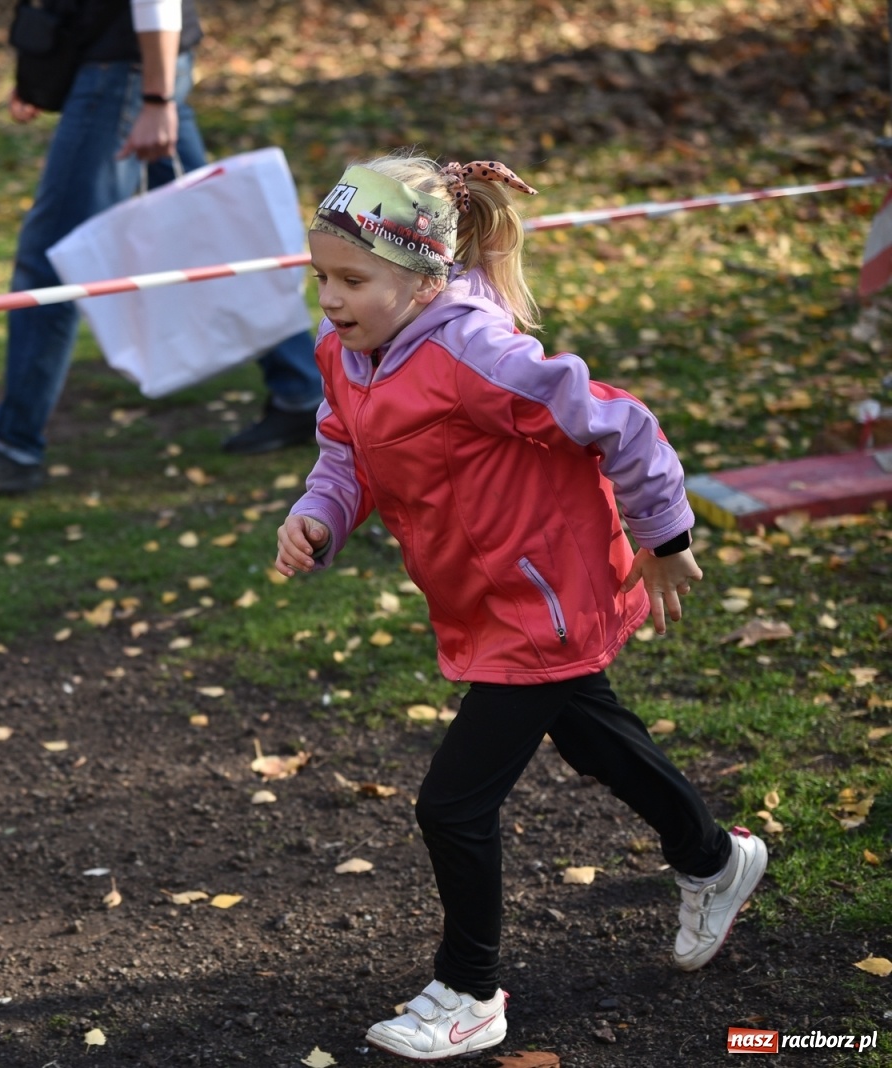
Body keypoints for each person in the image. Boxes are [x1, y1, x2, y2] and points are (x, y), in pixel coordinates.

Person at [273, 153, 767, 1061]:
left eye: (353, 279)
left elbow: (622, 424)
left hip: (547, 595)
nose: (332, 300)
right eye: (321, 278)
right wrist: (318, 513)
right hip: (484, 596)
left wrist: (665, 539)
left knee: (452, 805)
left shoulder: (476, 355)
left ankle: (469, 992)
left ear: (423, 278)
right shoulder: (347, 351)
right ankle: (715, 859)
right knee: (590, 736)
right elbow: (344, 448)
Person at [0, 0, 324, 495]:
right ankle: (301, 389)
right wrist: (42, 72)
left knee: (49, 261)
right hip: (126, 66)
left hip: (128, 71)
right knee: (211, 234)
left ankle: (12, 445)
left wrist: (156, 98)